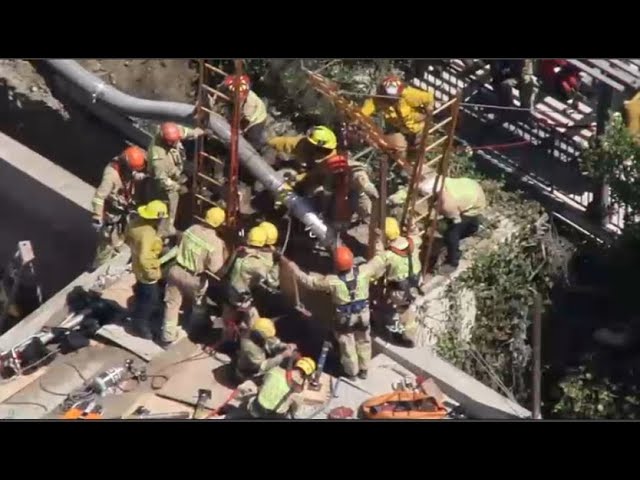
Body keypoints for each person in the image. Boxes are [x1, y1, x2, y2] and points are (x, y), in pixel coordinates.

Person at [286, 246, 383, 380]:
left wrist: (295, 270)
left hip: (345, 318)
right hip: (363, 314)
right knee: (364, 340)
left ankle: (352, 373)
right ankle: (364, 369)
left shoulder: (333, 281)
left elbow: (311, 282)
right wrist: (378, 243)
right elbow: (379, 260)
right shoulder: (364, 271)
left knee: (347, 345)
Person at [160, 207, 227, 348]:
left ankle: (167, 338)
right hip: (194, 278)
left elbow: (180, 244)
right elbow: (216, 269)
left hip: (176, 270)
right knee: (199, 305)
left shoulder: (191, 229)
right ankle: (196, 330)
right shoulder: (215, 242)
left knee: (171, 304)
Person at [91, 146, 147, 269]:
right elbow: (99, 197)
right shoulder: (111, 175)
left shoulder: (130, 161)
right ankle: (97, 268)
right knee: (106, 245)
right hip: (111, 213)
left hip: (122, 210)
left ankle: (116, 251)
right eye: (133, 170)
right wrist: (97, 217)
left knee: (120, 238)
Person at [146, 122, 206, 237]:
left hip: (177, 167)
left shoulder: (171, 131)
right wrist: (178, 187)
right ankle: (166, 231)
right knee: (171, 201)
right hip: (166, 180)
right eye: (174, 142)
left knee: (190, 172)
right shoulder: (159, 159)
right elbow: (163, 180)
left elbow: (185, 132)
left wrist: (199, 132)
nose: (177, 142)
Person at [370, 217, 423, 346]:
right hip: (416, 282)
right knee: (407, 305)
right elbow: (416, 236)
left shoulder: (388, 255)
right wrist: (413, 226)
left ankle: (408, 337)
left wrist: (377, 242)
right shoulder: (412, 242)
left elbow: (377, 268)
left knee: (405, 312)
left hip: (399, 291)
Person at [421, 174, 487, 274]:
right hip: (472, 190)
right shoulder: (441, 183)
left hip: (472, 206)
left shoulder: (450, 203)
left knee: (451, 234)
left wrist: (447, 219)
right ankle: (472, 227)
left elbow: (454, 216)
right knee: (457, 224)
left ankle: (453, 262)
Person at [360, 75, 435, 163]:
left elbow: (428, 97)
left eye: (394, 97)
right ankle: (403, 167)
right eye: (389, 97)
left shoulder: (409, 94)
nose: (392, 100)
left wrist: (428, 111)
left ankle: (416, 163)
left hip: (417, 127)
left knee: (417, 151)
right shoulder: (379, 100)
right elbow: (364, 111)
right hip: (398, 129)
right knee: (399, 149)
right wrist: (359, 118)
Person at [222, 226, 277, 335]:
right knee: (254, 321)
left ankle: (227, 334)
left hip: (231, 290)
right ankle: (251, 339)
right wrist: (277, 263)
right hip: (242, 297)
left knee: (228, 318)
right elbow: (273, 282)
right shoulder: (255, 263)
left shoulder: (240, 251)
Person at [125, 200, 167, 339]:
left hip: (136, 266)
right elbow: (145, 257)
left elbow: (128, 239)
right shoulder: (147, 233)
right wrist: (154, 273)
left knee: (141, 292)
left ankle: (138, 310)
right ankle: (140, 325)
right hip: (146, 271)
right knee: (150, 299)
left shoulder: (135, 223)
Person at [247, 356, 316, 419]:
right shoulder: (298, 391)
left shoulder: (275, 370)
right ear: (307, 375)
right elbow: (296, 410)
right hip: (274, 415)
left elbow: (264, 381)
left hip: (257, 406)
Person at [235, 317, 296, 382]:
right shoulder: (249, 347)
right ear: (261, 336)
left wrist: (285, 345)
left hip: (255, 365)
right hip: (247, 374)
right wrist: (282, 356)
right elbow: (263, 366)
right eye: (267, 337)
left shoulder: (257, 336)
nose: (269, 338)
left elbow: (272, 342)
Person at [221, 74, 268, 152]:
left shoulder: (249, 105)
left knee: (253, 137)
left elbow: (245, 122)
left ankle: (256, 151)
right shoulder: (234, 87)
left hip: (257, 119)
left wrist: (238, 130)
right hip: (245, 109)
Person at [267, 125, 338, 174]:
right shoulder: (302, 144)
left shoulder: (331, 162)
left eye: (311, 144)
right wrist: (267, 144)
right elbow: (283, 142)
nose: (308, 145)